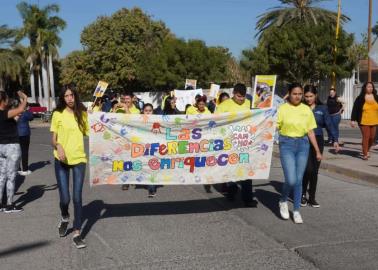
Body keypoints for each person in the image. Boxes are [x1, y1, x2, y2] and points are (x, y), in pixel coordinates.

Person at [277, 83, 322, 224]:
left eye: (299, 94)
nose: (297, 96)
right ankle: (283, 200)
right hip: (287, 144)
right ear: (289, 93)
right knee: (290, 179)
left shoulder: (306, 109)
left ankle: (296, 210)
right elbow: (274, 126)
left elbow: (310, 131)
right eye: (294, 93)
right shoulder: (282, 108)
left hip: (303, 145)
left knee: (298, 179)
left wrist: (317, 150)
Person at [50, 84, 89, 249]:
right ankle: (65, 217)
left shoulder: (83, 114)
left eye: (71, 95)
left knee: (77, 197)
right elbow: (53, 138)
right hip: (61, 160)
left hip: (79, 159)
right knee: (65, 198)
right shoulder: (57, 114)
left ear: (75, 96)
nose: (69, 98)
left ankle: (77, 233)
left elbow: (89, 132)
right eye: (66, 96)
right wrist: (58, 146)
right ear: (62, 98)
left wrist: (94, 118)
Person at [216, 83, 257, 207]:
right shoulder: (223, 106)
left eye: (243, 97)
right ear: (233, 93)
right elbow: (216, 122)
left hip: (245, 141)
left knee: (246, 170)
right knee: (232, 168)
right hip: (229, 142)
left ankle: (247, 198)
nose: (241, 99)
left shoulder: (249, 104)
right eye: (239, 96)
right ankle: (231, 191)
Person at [302, 85, 340, 208]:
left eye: (311, 96)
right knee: (307, 169)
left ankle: (312, 197)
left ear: (316, 95)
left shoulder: (322, 108)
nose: (308, 99)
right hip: (303, 140)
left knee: (314, 171)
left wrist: (335, 139)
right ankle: (302, 194)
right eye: (306, 96)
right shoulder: (300, 107)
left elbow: (329, 124)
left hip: (318, 140)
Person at [0, 90, 28, 213]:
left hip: (1, 147)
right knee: (11, 177)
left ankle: (1, 204)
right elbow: (21, 109)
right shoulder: (5, 112)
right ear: (3, 100)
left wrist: (20, 110)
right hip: (11, 147)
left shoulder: (6, 114)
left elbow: (15, 117)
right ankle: (9, 205)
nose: (8, 101)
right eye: (7, 99)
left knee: (1, 177)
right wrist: (25, 98)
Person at [186, 95, 212, 193]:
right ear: (197, 104)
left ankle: (204, 177)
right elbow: (186, 120)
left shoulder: (208, 112)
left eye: (203, 104)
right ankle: (192, 172)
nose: (201, 105)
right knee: (193, 154)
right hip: (193, 136)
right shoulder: (191, 110)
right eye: (200, 104)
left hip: (204, 136)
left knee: (203, 155)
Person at [351, 82, 378, 160]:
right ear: (365, 88)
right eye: (368, 87)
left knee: (372, 137)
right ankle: (365, 153)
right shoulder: (360, 98)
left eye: (371, 87)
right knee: (366, 137)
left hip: (374, 120)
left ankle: (367, 150)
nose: (370, 88)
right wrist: (352, 120)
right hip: (363, 121)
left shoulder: (376, 97)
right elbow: (355, 109)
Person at [142, 103, 158, 197]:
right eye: (146, 110)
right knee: (145, 166)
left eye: (150, 111)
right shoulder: (137, 120)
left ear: (153, 111)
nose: (148, 112)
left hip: (154, 148)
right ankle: (148, 183)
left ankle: (152, 189)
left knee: (152, 167)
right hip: (142, 148)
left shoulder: (157, 120)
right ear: (143, 111)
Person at [16, 104, 34, 176]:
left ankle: (18, 169)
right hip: (25, 134)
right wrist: (28, 109)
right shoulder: (25, 112)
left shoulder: (15, 112)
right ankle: (25, 170)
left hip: (16, 134)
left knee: (17, 152)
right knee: (25, 152)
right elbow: (31, 117)